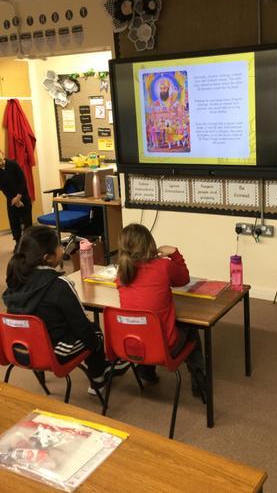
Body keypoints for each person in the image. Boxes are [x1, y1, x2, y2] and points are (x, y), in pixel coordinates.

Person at [2, 225, 128, 393]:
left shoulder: (15, 280)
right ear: (47, 258)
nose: (62, 249)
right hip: (52, 353)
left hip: (20, 349)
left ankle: (101, 368)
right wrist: (94, 344)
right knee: (94, 331)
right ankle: (99, 378)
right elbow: (81, 325)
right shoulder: (60, 285)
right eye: (59, 246)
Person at [116, 223, 206, 399]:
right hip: (162, 347)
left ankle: (146, 371)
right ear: (149, 243)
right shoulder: (163, 266)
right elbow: (184, 279)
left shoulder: (122, 272)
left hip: (129, 346)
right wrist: (174, 253)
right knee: (191, 328)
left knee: (143, 324)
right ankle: (199, 383)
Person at [0, 151, 33, 252]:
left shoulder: (13, 164)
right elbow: (3, 188)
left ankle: (28, 243)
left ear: (2, 154)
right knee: (14, 222)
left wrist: (18, 197)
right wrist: (14, 200)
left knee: (27, 221)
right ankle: (18, 243)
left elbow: (23, 181)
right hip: (11, 199)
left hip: (23, 197)